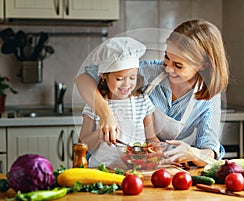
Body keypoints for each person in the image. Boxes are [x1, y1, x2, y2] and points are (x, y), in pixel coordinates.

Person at [75, 19, 229, 167]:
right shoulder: (150, 71)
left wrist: (193, 154)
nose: (168, 68)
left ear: (203, 66)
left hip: (155, 166)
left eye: (178, 65)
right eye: (166, 57)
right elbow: (84, 78)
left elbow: (210, 147)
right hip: (109, 162)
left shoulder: (208, 95)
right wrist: (106, 114)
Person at [79, 37, 160, 169]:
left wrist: (161, 151)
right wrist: (99, 134)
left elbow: (151, 138)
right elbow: (82, 145)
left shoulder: (143, 102)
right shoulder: (94, 105)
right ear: (104, 75)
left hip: (135, 172)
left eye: (132, 77)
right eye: (119, 78)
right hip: (102, 170)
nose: (127, 84)